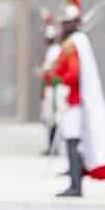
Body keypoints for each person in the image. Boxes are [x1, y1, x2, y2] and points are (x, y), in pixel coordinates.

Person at [44, 0, 105, 197]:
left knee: (72, 142)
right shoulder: (74, 42)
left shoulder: (75, 43)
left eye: (64, 23)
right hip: (73, 100)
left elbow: (73, 74)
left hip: (76, 101)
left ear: (72, 24)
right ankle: (75, 183)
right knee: (72, 141)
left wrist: (57, 77)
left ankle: (76, 186)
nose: (61, 26)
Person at [37, 8, 64, 156]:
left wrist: (44, 72)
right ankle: (51, 146)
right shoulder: (51, 50)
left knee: (54, 118)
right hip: (48, 87)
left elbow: (52, 71)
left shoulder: (55, 50)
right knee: (48, 119)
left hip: (54, 88)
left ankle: (54, 147)